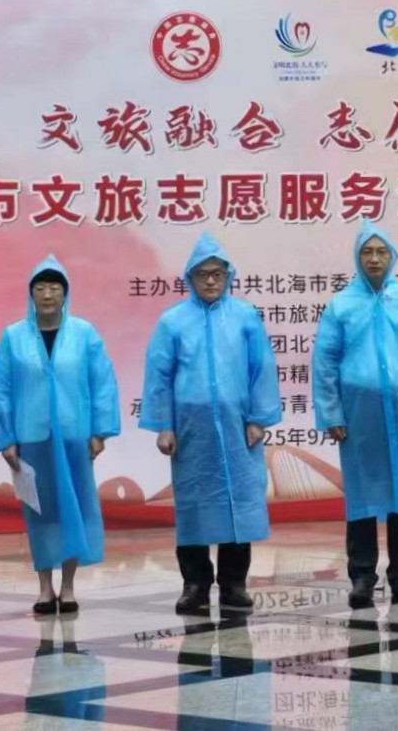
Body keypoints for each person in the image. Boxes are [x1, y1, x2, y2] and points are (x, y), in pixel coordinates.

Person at [140, 231, 282, 615]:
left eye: (217, 273)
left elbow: (261, 368)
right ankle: (195, 585)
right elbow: (159, 377)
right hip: (191, 430)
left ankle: (234, 583)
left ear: (228, 275)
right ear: (190, 277)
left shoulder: (244, 317)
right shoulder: (172, 322)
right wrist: (164, 425)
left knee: (238, 502)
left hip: (238, 426)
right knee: (193, 506)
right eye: (203, 274)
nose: (210, 281)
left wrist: (258, 418)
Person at [311, 220, 398, 609]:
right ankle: (361, 577)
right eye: (367, 252)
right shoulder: (340, 305)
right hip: (359, 415)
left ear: (392, 256)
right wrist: (331, 413)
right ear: (357, 258)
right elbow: (324, 361)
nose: (374, 259)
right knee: (362, 495)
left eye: (381, 252)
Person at [0, 255, 120, 615]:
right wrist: (6, 438)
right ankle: (45, 588)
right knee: (40, 513)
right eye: (40, 288)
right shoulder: (13, 337)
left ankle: (69, 586)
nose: (47, 294)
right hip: (31, 438)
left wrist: (100, 432)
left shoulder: (84, 333)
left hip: (75, 435)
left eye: (55, 287)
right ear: (30, 294)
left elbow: (102, 383)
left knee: (73, 507)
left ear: (65, 293)